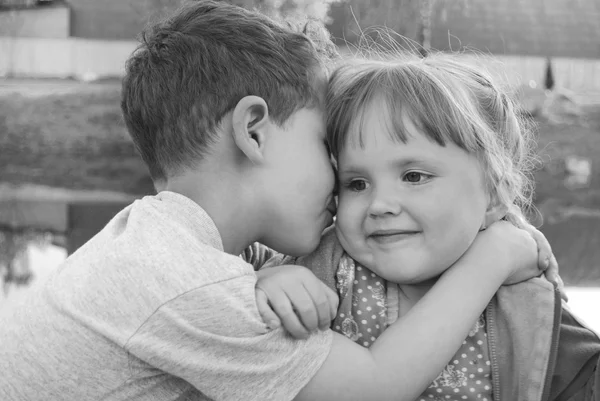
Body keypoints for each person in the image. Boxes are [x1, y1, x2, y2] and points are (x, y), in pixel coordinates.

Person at [0, 3, 556, 401]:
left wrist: (267, 278)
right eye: (325, 148)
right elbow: (373, 387)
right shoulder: (191, 283)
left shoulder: (159, 246)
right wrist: (495, 255)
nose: (339, 185)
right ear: (255, 132)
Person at [256, 53, 600, 400]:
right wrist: (264, 287)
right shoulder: (322, 272)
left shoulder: (534, 315)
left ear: (494, 196)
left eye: (414, 176)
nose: (380, 205)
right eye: (357, 183)